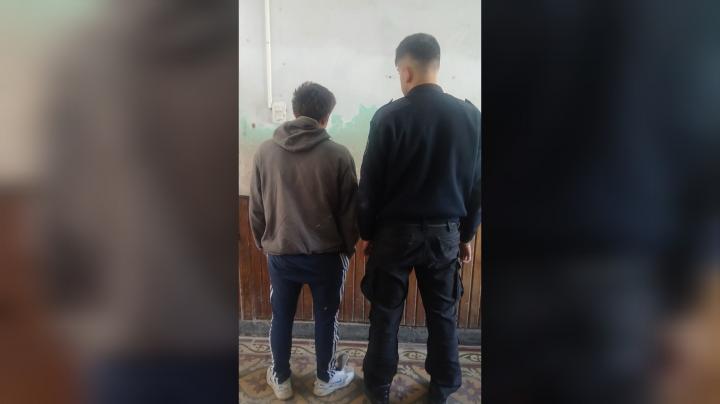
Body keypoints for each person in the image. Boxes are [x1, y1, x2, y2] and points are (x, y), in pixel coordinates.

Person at [358, 33, 481, 404]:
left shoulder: (388, 117)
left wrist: (367, 232)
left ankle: (378, 388)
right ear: (436, 66)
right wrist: (467, 235)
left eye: (399, 71)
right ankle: (442, 388)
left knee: (385, 315)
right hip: (445, 235)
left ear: (406, 70)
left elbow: (369, 185)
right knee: (443, 315)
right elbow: (477, 185)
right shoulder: (471, 118)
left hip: (393, 236)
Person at [249, 82, 358, 400]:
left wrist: (263, 242)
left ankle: (281, 379)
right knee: (327, 317)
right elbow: (350, 213)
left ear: (295, 110)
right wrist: (347, 248)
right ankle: (325, 378)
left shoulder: (265, 152)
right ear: (326, 117)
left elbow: (256, 207)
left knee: (281, 316)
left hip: (281, 253)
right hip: (327, 256)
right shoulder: (339, 155)